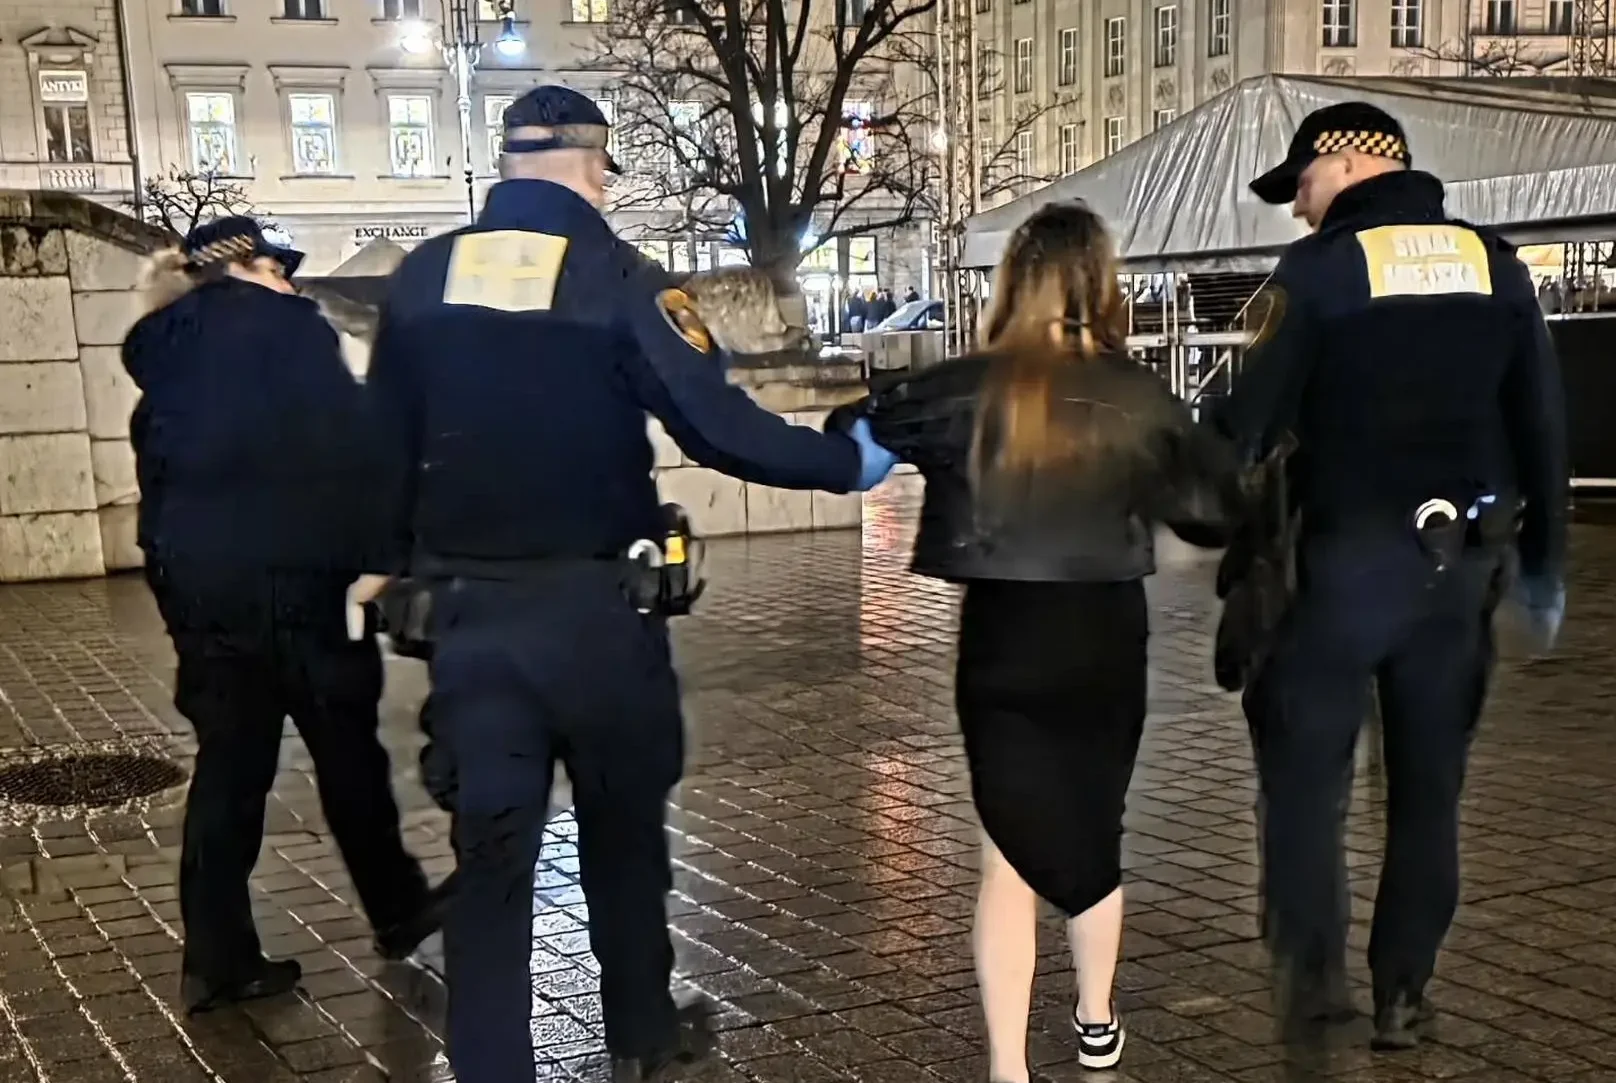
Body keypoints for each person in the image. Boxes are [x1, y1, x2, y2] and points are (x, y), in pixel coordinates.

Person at [356, 86, 896, 1083]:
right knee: (622, 835)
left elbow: (381, 446)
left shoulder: (424, 279)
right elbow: (718, 428)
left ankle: (491, 1068)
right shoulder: (617, 277)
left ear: (508, 161)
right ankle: (643, 1032)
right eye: (605, 171)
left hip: (472, 625)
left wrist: (392, 563)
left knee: (492, 863)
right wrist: (846, 462)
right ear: (589, 165)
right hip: (598, 623)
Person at [841, 202, 1239, 1080]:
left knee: (1006, 847)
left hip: (1003, 640)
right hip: (1103, 635)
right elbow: (1211, 513)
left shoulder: (962, 386)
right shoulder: (1137, 392)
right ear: (1102, 282)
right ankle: (1096, 1017)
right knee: (1097, 822)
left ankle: (1008, 1065)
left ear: (1013, 282)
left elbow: (853, 439)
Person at [1220, 102, 1567, 1048]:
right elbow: (1542, 427)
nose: (1298, 205)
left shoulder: (1319, 271)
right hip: (1456, 575)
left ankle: (1312, 990)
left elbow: (1243, 425)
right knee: (1427, 794)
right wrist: (1543, 572)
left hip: (1337, 568)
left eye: (1300, 183)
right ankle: (1403, 994)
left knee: (1304, 786)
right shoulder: (1497, 267)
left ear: (1344, 163)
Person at [122, 217, 446, 1014]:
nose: (290, 282)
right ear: (243, 268)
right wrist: (386, 555)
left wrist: (178, 595)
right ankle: (398, 909)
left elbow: (159, 491)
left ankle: (217, 960)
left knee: (229, 771)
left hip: (202, 595)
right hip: (301, 580)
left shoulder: (161, 357)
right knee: (348, 751)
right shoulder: (293, 330)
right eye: (278, 267)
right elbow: (353, 445)